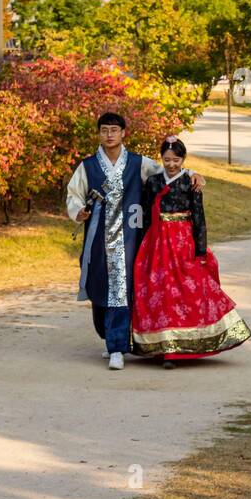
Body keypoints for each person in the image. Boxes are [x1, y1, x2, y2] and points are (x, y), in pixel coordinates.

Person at [65, 112, 206, 370]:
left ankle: (118, 347)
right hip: (98, 236)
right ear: (99, 134)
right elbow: (74, 194)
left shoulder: (138, 163)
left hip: (131, 236)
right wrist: (78, 211)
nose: (109, 134)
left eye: (114, 130)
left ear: (123, 133)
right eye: (104, 130)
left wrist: (193, 172)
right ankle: (109, 334)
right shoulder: (88, 166)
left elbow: (169, 170)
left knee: (123, 287)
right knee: (100, 287)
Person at [132, 136, 250, 368]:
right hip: (157, 242)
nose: (171, 164)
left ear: (183, 159)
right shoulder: (154, 181)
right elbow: (146, 214)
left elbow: (199, 217)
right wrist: (142, 244)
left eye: (176, 160)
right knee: (160, 291)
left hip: (181, 241)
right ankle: (164, 346)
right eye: (167, 159)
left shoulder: (191, 182)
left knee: (186, 290)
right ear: (161, 159)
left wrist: (200, 249)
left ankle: (185, 345)